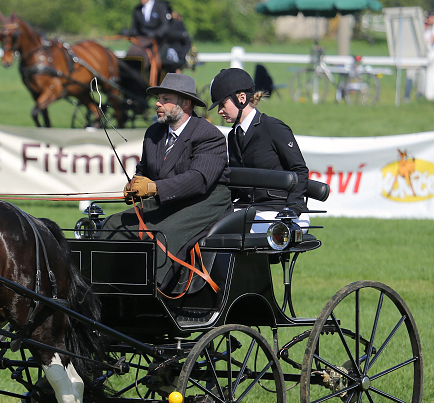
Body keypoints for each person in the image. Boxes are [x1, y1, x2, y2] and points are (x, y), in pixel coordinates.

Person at [101, 72, 231, 290]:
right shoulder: (154, 132)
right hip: (166, 200)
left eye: (165, 99)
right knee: (112, 225)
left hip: (204, 202)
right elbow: (144, 170)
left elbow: (199, 179)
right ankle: (104, 286)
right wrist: (135, 185)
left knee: (162, 237)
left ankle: (152, 294)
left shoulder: (208, 135)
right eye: (158, 98)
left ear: (186, 103)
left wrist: (153, 187)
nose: (157, 104)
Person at [209, 68, 310, 233]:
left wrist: (293, 208)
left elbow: (299, 169)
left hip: (279, 209)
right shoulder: (233, 136)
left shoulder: (273, 127)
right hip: (247, 209)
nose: (220, 111)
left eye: (222, 104)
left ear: (241, 98)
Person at [123, 0, 174, 81]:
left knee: (145, 55)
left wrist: (154, 34)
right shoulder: (137, 9)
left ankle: (145, 80)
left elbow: (165, 27)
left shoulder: (160, 7)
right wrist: (128, 33)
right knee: (131, 54)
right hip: (141, 40)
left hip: (158, 41)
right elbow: (135, 28)